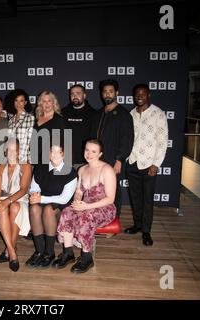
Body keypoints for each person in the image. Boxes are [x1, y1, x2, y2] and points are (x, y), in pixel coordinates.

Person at [55, 139, 116, 273]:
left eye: (93, 151)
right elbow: (78, 191)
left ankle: (87, 257)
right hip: (86, 205)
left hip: (104, 208)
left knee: (86, 217)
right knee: (67, 212)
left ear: (100, 154)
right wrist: (77, 201)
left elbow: (110, 199)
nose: (89, 154)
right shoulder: (82, 169)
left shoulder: (107, 170)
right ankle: (68, 252)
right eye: (87, 150)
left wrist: (86, 207)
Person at [125, 84, 168, 246]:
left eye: (143, 93)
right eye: (137, 94)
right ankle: (137, 225)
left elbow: (163, 142)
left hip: (149, 163)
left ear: (148, 94)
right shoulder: (131, 114)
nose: (140, 96)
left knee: (147, 199)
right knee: (135, 197)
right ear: (134, 96)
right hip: (133, 162)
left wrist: (156, 164)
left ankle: (146, 231)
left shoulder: (158, 114)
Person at [26, 144, 77, 268]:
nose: (54, 155)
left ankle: (49, 252)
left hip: (61, 206)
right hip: (42, 202)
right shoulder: (41, 168)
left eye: (58, 152)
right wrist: (34, 196)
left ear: (63, 154)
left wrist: (41, 198)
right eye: (51, 152)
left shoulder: (70, 172)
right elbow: (34, 188)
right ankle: (39, 251)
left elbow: (64, 198)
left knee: (49, 210)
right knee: (34, 208)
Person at [90, 79, 134, 217]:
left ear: (116, 93)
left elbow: (127, 139)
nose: (107, 94)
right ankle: (99, 219)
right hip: (98, 160)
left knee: (113, 192)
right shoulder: (98, 114)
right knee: (98, 190)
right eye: (105, 92)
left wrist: (120, 160)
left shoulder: (123, 114)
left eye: (110, 91)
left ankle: (114, 221)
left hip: (113, 160)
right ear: (102, 94)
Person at [0, 138, 32, 272]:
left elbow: (23, 189)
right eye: (9, 149)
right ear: (4, 151)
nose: (12, 153)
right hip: (3, 198)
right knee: (2, 209)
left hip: (20, 198)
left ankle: (8, 249)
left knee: (15, 207)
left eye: (16, 150)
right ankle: (11, 251)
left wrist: (7, 201)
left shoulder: (26, 166)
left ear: (19, 151)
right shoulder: (0, 168)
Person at [62, 84, 98, 168]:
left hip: (85, 161)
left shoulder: (94, 114)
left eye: (78, 93)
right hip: (65, 161)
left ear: (84, 95)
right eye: (72, 94)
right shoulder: (62, 113)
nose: (75, 96)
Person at [31, 91, 66, 165]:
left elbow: (62, 142)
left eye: (49, 101)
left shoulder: (58, 120)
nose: (47, 104)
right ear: (41, 104)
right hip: (35, 160)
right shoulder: (37, 119)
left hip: (50, 161)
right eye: (44, 101)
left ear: (53, 103)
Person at [6, 89, 35, 163]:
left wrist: (30, 160)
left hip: (25, 159)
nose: (18, 103)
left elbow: (32, 141)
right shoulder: (10, 120)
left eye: (21, 101)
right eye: (16, 100)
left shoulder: (30, 118)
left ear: (25, 102)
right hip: (12, 159)